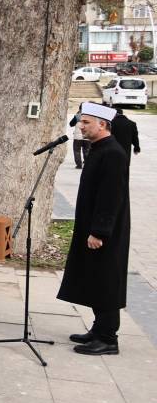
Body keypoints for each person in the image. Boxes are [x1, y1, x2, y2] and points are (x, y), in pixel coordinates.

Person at [57, 103, 130, 356]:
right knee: (95, 278)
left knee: (106, 280)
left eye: (86, 122)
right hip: (92, 225)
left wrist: (99, 232)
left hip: (104, 231)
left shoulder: (113, 153)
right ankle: (99, 329)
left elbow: (111, 197)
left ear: (103, 124)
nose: (81, 126)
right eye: (81, 121)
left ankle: (108, 338)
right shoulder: (100, 148)